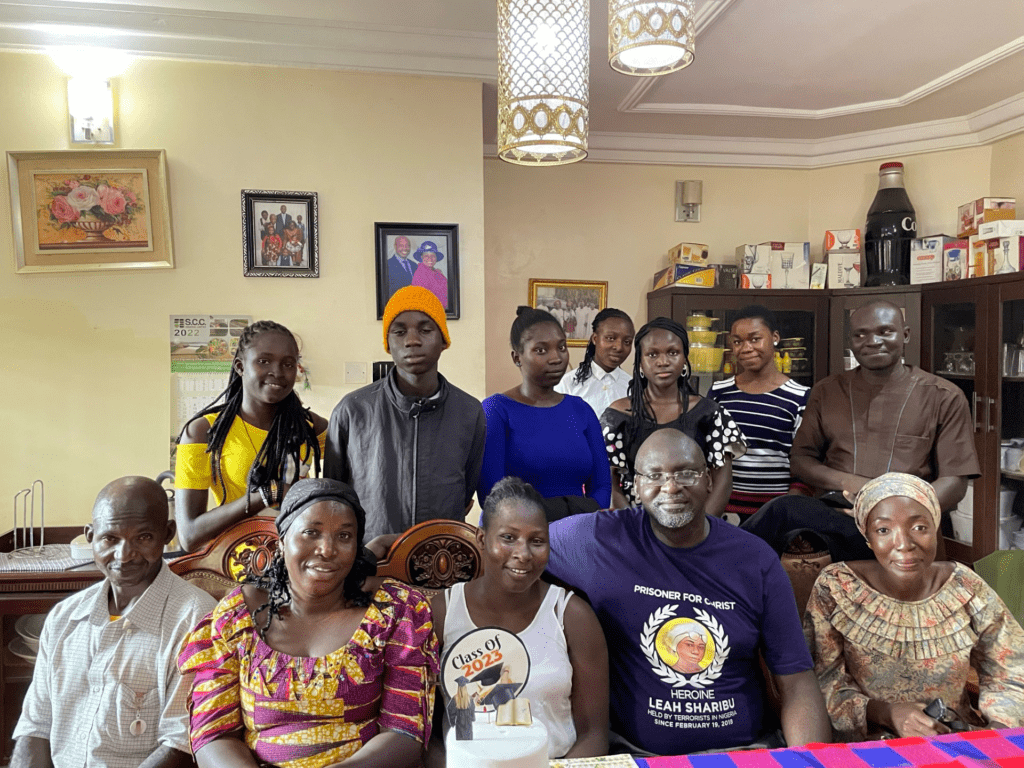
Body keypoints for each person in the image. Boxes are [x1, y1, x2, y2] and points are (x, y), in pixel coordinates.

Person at [546, 430, 830, 757]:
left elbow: (796, 682)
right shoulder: (598, 540)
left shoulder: (755, 560)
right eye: (654, 475)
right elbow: (517, 544)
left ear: (709, 480)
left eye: (685, 473)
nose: (670, 486)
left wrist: (808, 761)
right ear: (635, 486)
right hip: (635, 754)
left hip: (744, 752)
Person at [178, 479, 439, 768]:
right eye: (311, 533)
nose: (327, 549)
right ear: (282, 541)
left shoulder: (395, 610)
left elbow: (405, 732)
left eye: (344, 536)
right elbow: (214, 733)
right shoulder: (237, 617)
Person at [743, 300, 980, 561]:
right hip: (839, 516)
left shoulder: (944, 396)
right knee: (784, 511)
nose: (873, 341)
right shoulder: (827, 391)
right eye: (860, 334)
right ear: (851, 341)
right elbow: (801, 461)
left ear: (906, 335)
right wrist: (853, 484)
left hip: (905, 524)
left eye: (885, 332)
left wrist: (892, 508)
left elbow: (955, 481)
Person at [13, 476, 216, 768]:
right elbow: (36, 726)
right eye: (110, 538)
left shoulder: (196, 619)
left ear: (167, 533)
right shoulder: (64, 617)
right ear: (90, 536)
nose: (124, 555)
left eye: (143, 537)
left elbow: (180, 745)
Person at [804, 473, 1024, 741]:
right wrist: (888, 713)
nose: (904, 544)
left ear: (936, 528)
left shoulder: (965, 587)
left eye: (919, 527)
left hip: (956, 741)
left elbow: (1011, 670)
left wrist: (998, 733)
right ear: (868, 537)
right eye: (883, 530)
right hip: (872, 748)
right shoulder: (838, 587)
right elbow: (822, 682)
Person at [429, 477, 609, 762]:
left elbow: (595, 734)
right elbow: (428, 735)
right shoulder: (443, 611)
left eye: (536, 541)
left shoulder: (572, 616)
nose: (523, 554)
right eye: (508, 538)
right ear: (481, 539)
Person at [324, 286, 486, 551]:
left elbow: (466, 490)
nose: (412, 340)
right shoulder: (352, 411)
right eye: (400, 331)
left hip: (441, 559)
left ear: (444, 339)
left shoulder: (469, 412)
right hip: (369, 563)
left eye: (425, 329)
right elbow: (333, 497)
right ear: (388, 343)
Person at [175, 320, 328, 552]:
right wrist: (268, 494)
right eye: (264, 361)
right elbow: (189, 536)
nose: (277, 372)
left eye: (288, 364)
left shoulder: (310, 426)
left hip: (300, 560)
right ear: (240, 366)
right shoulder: (204, 432)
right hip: (236, 564)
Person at [601, 317, 746, 515]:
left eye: (673, 353)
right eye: (652, 354)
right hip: (635, 525)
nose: (663, 362)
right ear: (640, 364)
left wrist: (701, 530)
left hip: (696, 524)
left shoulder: (710, 414)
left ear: (685, 359)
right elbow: (609, 483)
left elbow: (722, 481)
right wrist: (633, 531)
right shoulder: (617, 416)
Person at [477, 306, 611, 516]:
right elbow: (491, 495)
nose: (556, 358)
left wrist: (576, 521)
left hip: (578, 535)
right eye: (541, 350)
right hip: (519, 539)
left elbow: (602, 487)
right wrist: (564, 511)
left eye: (562, 347)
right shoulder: (497, 410)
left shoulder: (581, 410)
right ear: (516, 357)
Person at [709, 306, 809, 520]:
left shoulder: (799, 397)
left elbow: (803, 463)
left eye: (755, 339)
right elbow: (709, 453)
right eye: (737, 342)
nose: (745, 348)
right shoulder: (719, 393)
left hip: (776, 513)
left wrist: (787, 512)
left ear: (775, 337)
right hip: (724, 512)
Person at [555, 307, 634, 419]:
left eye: (627, 342)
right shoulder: (567, 385)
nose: (619, 347)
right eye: (610, 338)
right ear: (595, 339)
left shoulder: (633, 387)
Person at [411, 240, 449, 308]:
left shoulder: (437, 273)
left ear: (436, 257)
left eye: (433, 255)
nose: (430, 259)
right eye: (426, 255)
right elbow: (421, 302)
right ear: (421, 257)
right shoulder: (420, 275)